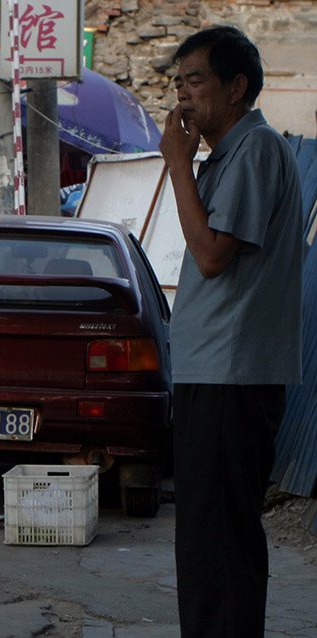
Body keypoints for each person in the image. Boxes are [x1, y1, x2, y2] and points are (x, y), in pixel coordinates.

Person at [159, 26, 302, 638]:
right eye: (178, 83)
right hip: (212, 372)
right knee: (207, 537)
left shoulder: (256, 149)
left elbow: (213, 255)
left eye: (196, 81)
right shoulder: (227, 156)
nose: (184, 96)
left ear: (237, 87)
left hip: (231, 375)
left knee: (218, 540)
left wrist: (175, 166)